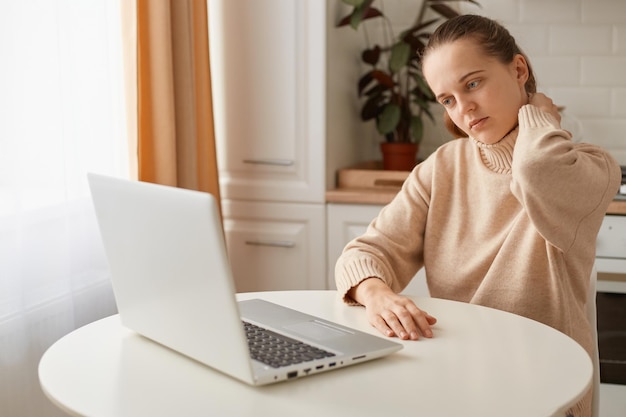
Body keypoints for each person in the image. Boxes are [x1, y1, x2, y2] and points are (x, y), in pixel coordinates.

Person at [335, 14, 622, 417]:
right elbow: (363, 253)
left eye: (473, 83)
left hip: (544, 389)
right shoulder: (442, 168)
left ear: (518, 69)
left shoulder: (589, 167)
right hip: (459, 379)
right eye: (447, 100)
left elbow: (536, 169)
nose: (464, 109)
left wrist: (538, 113)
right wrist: (376, 293)